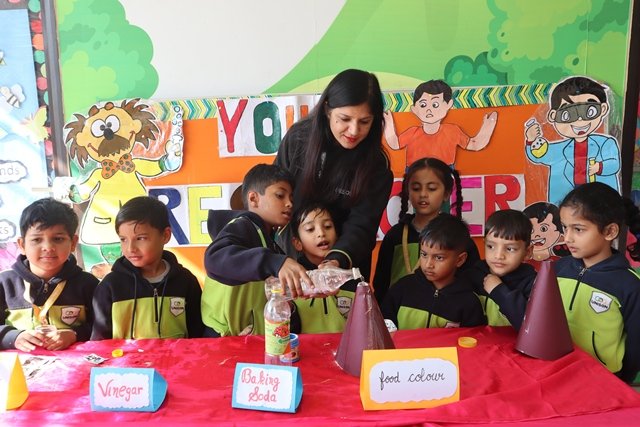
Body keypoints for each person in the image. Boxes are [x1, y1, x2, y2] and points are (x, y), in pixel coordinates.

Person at [274, 69, 393, 282]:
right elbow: (277, 196)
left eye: (364, 122)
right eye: (345, 119)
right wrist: (281, 258)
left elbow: (362, 225)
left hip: (344, 265)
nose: (354, 131)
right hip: (292, 261)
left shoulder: (376, 164)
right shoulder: (298, 139)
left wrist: (336, 260)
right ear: (327, 109)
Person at [202, 164, 310, 337]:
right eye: (280, 195)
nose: (289, 203)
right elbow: (214, 258)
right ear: (253, 199)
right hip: (223, 340)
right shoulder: (243, 226)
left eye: (291, 197)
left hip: (252, 339)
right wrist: (275, 262)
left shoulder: (271, 244)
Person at [557, 182, 640, 383]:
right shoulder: (556, 270)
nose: (567, 238)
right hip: (559, 374)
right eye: (565, 227)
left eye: (578, 229)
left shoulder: (629, 285)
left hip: (604, 381)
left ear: (610, 231)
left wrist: (620, 382)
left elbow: (636, 345)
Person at [91, 196, 204, 340]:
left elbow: (197, 336)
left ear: (165, 236)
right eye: (123, 239)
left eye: (140, 238)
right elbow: (99, 342)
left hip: (178, 355)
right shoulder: (110, 286)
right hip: (125, 356)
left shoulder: (186, 281)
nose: (130, 248)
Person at [372, 157, 479, 305]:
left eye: (432, 188)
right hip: (398, 315)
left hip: (446, 315)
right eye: (416, 188)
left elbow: (472, 286)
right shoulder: (395, 236)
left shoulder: (459, 239)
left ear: (447, 193)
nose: (423, 194)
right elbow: (381, 285)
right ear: (408, 191)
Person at [0, 198, 97, 351]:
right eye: (37, 239)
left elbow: (103, 327)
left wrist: (74, 334)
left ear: (73, 243)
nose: (48, 247)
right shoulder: (4, 283)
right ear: (22, 245)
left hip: (74, 364)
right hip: (18, 364)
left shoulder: (88, 284)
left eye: (58, 239)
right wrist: (12, 337)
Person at [525, 76, 620, 205]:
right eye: (568, 114)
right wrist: (531, 140)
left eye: (589, 111)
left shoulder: (606, 144)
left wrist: (600, 167)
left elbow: (614, 163)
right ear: (553, 116)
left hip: (600, 203)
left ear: (603, 109)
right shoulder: (559, 149)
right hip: (568, 202)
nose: (580, 120)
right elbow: (540, 155)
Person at [381, 213, 486, 330]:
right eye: (424, 254)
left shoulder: (469, 302)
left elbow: (474, 338)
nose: (428, 264)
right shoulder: (401, 289)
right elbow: (382, 330)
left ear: (460, 260)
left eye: (439, 257)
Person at [383, 79, 497, 168]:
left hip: (444, 172)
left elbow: (474, 144)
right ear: (414, 109)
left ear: (448, 105)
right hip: (415, 171)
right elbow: (395, 144)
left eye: (435, 105)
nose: (429, 110)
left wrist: (488, 126)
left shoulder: (452, 131)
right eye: (423, 105)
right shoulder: (412, 133)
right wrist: (388, 123)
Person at [289, 203, 358, 333]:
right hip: (302, 346)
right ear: (297, 243)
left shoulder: (350, 278)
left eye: (327, 226)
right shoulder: (294, 278)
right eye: (310, 229)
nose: (321, 233)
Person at [466, 209, 537, 330]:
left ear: (527, 252)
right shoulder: (472, 275)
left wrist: (498, 290)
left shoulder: (533, 283)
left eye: (510, 249)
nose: (498, 256)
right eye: (491, 246)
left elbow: (531, 327)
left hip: (513, 342)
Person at [522, 201, 569, 270]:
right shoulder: (521, 262)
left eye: (543, 229)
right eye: (531, 230)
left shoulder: (563, 260)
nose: (537, 235)